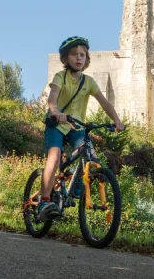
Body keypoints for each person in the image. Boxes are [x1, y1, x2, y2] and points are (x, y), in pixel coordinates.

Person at [37, 36, 125, 222]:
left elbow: (105, 103)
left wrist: (116, 120)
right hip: (57, 125)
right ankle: (44, 201)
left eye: (83, 55)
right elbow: (52, 98)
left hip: (76, 127)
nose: (79, 58)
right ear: (65, 59)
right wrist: (55, 111)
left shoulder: (89, 82)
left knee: (91, 157)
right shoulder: (60, 77)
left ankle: (77, 187)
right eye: (74, 54)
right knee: (54, 157)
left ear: (87, 59)